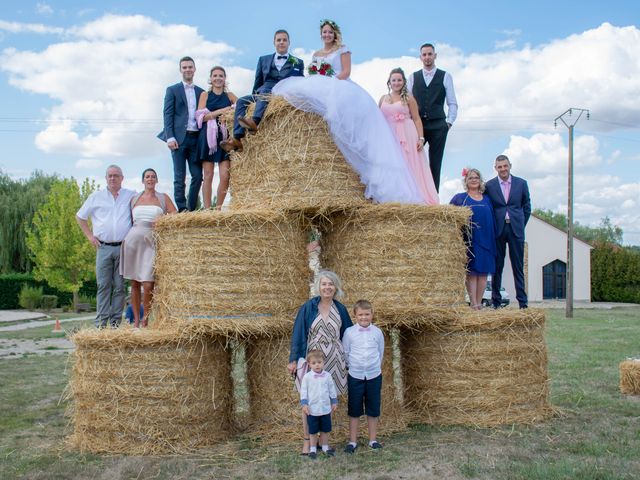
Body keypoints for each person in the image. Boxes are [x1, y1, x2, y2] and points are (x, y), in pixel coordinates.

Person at [271, 19, 425, 204]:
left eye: (330, 32)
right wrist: (318, 77)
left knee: (341, 110)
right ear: (321, 34)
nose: (327, 35)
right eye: (324, 32)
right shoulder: (316, 53)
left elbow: (346, 72)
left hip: (339, 84)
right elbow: (312, 73)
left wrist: (329, 80)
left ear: (335, 34)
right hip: (320, 82)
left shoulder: (343, 49)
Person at [288, 270, 353, 455]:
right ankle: (307, 441)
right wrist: (293, 359)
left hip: (334, 358)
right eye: (324, 284)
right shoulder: (309, 307)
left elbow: (347, 335)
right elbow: (299, 333)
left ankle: (323, 442)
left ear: (336, 287)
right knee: (308, 399)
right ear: (319, 287)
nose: (327, 287)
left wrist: (350, 359)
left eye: (331, 284)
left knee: (326, 400)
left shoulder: (340, 309)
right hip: (314, 358)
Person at [220, 30, 304, 152]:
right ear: (274, 42)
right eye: (278, 40)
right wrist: (255, 98)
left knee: (265, 88)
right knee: (242, 100)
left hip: (283, 93)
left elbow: (299, 83)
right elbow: (258, 80)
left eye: (284, 40)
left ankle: (254, 121)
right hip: (263, 92)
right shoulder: (263, 59)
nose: (281, 42)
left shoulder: (297, 62)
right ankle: (237, 138)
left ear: (289, 42)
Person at [76, 165, 136, 328]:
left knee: (119, 287)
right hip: (103, 248)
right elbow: (80, 217)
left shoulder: (131, 195)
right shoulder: (96, 197)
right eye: (109, 175)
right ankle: (101, 324)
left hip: (123, 248)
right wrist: (89, 236)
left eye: (116, 175)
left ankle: (115, 323)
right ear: (106, 178)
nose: (112, 178)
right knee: (103, 285)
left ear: (122, 178)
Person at [120, 168, 177, 327]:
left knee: (148, 283)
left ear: (156, 180)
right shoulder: (134, 199)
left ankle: (146, 319)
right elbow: (129, 220)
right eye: (147, 177)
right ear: (143, 180)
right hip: (133, 241)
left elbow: (174, 213)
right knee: (135, 284)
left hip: (151, 242)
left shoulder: (163, 198)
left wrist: (162, 221)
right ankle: (136, 321)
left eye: (153, 177)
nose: (150, 179)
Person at [379, 68, 439, 205]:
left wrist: (421, 138)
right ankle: (394, 196)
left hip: (407, 134)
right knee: (392, 164)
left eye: (399, 80)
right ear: (389, 82)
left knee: (409, 163)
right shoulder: (383, 98)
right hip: (389, 136)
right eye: (394, 80)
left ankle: (414, 196)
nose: (396, 83)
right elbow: (378, 118)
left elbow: (417, 119)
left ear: (403, 82)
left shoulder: (409, 98)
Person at [407, 43, 458, 193]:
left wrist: (448, 122)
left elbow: (452, 102)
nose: (427, 57)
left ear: (435, 56)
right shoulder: (413, 77)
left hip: (438, 126)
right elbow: (408, 102)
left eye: (430, 54)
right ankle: (414, 194)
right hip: (418, 125)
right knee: (413, 160)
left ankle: (433, 198)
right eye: (424, 54)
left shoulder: (445, 76)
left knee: (435, 164)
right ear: (420, 57)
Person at [158, 56, 204, 212]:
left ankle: (191, 210)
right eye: (184, 67)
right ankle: (182, 208)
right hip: (178, 139)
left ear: (195, 69)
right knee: (180, 177)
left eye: (190, 67)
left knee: (197, 176)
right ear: (180, 70)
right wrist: (169, 136)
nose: (188, 70)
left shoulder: (201, 92)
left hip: (196, 139)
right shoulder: (172, 90)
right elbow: (167, 114)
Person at [485, 155, 531, 309]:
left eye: (505, 166)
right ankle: (496, 302)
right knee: (497, 267)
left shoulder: (521, 183)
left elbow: (527, 207)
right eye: (500, 167)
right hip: (498, 230)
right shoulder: (489, 186)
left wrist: (520, 224)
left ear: (510, 166)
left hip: (516, 230)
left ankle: (523, 304)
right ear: (495, 168)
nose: (503, 169)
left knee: (518, 267)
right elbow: (488, 208)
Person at [450, 168, 497, 310]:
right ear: (466, 181)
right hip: (469, 240)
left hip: (487, 239)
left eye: (476, 177)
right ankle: (473, 303)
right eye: (471, 178)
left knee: (483, 272)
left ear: (480, 180)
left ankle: (479, 303)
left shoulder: (487, 199)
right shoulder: (460, 198)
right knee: (472, 272)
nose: (474, 180)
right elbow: (449, 216)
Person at [342, 299, 384, 453]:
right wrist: (354, 367)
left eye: (367, 314)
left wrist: (374, 367)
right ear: (355, 315)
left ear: (372, 314)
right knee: (354, 409)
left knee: (373, 408)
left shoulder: (377, 332)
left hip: (373, 375)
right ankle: (352, 441)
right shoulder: (349, 333)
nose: (364, 317)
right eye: (360, 315)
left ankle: (372, 439)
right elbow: (346, 353)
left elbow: (380, 352)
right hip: (355, 375)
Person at [195, 66, 238, 209]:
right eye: (215, 75)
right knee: (208, 175)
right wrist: (222, 111)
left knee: (225, 175)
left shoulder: (230, 96)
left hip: (225, 137)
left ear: (225, 78)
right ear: (211, 79)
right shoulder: (204, 95)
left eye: (221, 75)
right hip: (208, 138)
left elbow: (242, 107)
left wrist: (231, 111)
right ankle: (208, 210)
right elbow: (201, 117)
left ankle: (218, 208)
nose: (218, 78)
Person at [299, 349, 338, 459]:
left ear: (323, 362)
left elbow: (331, 389)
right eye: (314, 363)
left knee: (325, 429)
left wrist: (334, 401)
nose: (317, 365)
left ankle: (325, 446)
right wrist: (304, 404)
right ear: (309, 364)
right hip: (313, 409)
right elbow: (304, 391)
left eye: (319, 362)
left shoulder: (327, 376)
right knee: (313, 430)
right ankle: (312, 449)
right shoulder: (307, 377)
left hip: (325, 408)